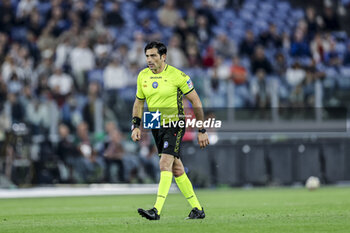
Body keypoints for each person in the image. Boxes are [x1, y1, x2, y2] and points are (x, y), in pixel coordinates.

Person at [131, 41, 209, 220]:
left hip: (174, 124)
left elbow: (196, 102)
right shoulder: (142, 76)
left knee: (164, 164)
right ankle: (197, 209)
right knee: (176, 168)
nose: (149, 60)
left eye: (153, 56)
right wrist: (136, 126)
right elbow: (139, 103)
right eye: (147, 56)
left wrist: (202, 129)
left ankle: (156, 210)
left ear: (163, 57)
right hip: (156, 125)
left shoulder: (177, 76)